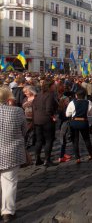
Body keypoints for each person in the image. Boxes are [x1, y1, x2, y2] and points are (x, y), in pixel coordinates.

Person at [0, 86, 26, 222]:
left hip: (9, 151)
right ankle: (7, 212)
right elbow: (24, 130)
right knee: (9, 183)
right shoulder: (17, 111)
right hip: (11, 152)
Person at [65, 87, 92, 164]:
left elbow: (67, 114)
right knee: (86, 139)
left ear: (76, 95)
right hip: (83, 122)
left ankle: (77, 158)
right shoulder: (88, 102)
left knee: (75, 141)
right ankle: (91, 155)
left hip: (74, 122)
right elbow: (90, 113)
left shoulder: (72, 102)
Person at [32, 80, 58, 167]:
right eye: (54, 85)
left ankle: (37, 159)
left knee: (39, 140)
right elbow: (48, 109)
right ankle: (47, 160)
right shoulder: (49, 95)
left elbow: (34, 107)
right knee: (48, 140)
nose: (55, 86)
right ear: (50, 86)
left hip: (37, 120)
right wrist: (53, 116)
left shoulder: (38, 94)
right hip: (46, 121)